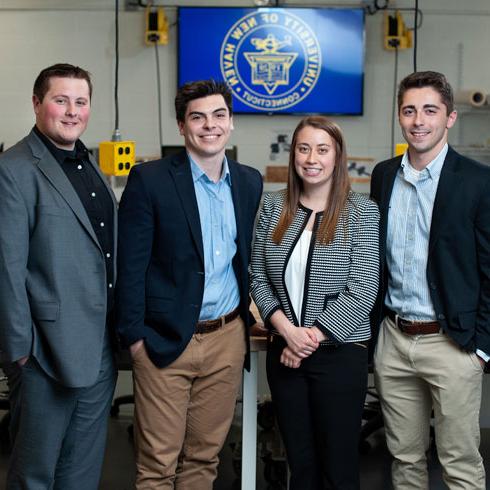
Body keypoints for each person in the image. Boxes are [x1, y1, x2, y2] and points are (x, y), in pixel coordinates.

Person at [116, 79, 263, 489]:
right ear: (182, 126)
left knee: (204, 458)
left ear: (231, 122)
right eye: (197, 117)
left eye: (219, 116)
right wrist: (135, 340)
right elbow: (130, 266)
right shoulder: (151, 179)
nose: (209, 126)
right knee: (158, 465)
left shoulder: (249, 182)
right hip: (163, 340)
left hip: (226, 340)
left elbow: (249, 258)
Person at [0, 63, 117, 489]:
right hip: (43, 355)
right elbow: (6, 266)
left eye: (80, 102)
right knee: (35, 475)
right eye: (60, 100)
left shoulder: (90, 166)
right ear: (36, 104)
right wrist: (19, 353)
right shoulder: (14, 169)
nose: (72, 111)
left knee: (81, 473)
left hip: (99, 347)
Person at [370, 70, 489, 489]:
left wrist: (482, 349)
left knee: (458, 461)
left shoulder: (478, 182)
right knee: (404, 460)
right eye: (409, 110)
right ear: (399, 117)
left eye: (429, 110)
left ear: (449, 118)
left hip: (452, 343)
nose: (418, 120)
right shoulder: (384, 176)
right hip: (394, 339)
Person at [250, 116, 379, 490]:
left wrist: (309, 339)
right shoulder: (274, 208)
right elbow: (257, 275)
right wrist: (287, 332)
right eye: (303, 148)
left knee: (338, 468)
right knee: (300, 465)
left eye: (322, 149)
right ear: (293, 155)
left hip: (340, 353)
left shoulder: (362, 213)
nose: (312, 158)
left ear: (337, 157)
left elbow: (363, 287)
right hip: (284, 352)